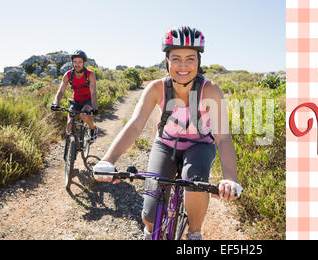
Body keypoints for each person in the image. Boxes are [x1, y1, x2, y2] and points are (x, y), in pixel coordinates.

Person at [93, 26, 243, 240]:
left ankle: (194, 235)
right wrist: (108, 160)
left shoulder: (210, 90)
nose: (183, 65)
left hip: (199, 146)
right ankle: (149, 232)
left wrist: (230, 179)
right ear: (166, 61)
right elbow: (135, 125)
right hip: (165, 144)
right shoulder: (156, 88)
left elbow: (223, 137)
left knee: (195, 181)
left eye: (190, 58)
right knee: (150, 215)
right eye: (176, 59)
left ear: (199, 61)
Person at [51, 50, 99, 142]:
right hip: (76, 101)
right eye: (75, 62)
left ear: (84, 63)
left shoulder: (90, 74)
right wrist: (55, 103)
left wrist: (95, 108)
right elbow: (60, 91)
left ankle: (93, 128)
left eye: (80, 62)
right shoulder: (68, 75)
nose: (77, 64)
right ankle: (70, 147)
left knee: (83, 115)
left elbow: (93, 92)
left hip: (88, 100)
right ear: (72, 62)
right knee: (69, 124)